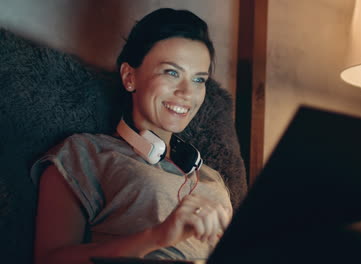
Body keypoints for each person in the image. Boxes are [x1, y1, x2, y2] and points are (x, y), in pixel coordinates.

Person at [31, 8, 232, 264]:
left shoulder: (211, 177)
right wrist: (157, 237)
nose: (187, 92)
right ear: (129, 76)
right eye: (171, 72)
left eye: (199, 80)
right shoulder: (85, 154)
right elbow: (48, 260)